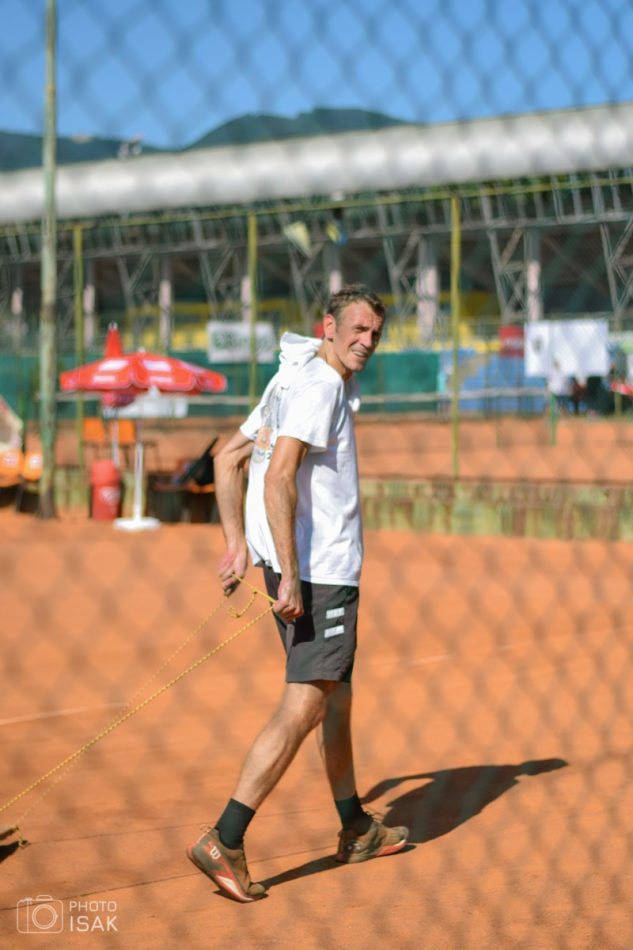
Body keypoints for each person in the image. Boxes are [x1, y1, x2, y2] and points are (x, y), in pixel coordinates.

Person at [187, 284, 409, 902]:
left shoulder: (293, 375)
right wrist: (287, 572)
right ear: (327, 326)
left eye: (375, 333)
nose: (367, 341)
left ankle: (355, 826)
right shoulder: (322, 385)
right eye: (357, 329)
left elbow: (228, 457)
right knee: (307, 703)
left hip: (299, 568)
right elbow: (279, 475)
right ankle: (225, 838)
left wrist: (238, 546)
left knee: (336, 696)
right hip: (317, 574)